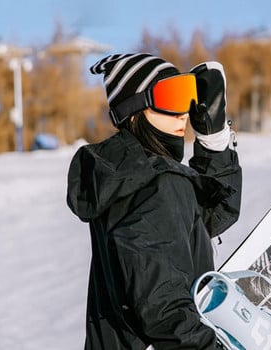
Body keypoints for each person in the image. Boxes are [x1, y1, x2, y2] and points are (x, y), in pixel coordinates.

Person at [67, 53, 242, 350]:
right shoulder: (158, 184)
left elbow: (205, 219)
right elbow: (164, 309)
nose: (184, 114)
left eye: (187, 98)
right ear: (133, 111)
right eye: (171, 98)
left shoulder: (126, 177)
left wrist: (214, 142)